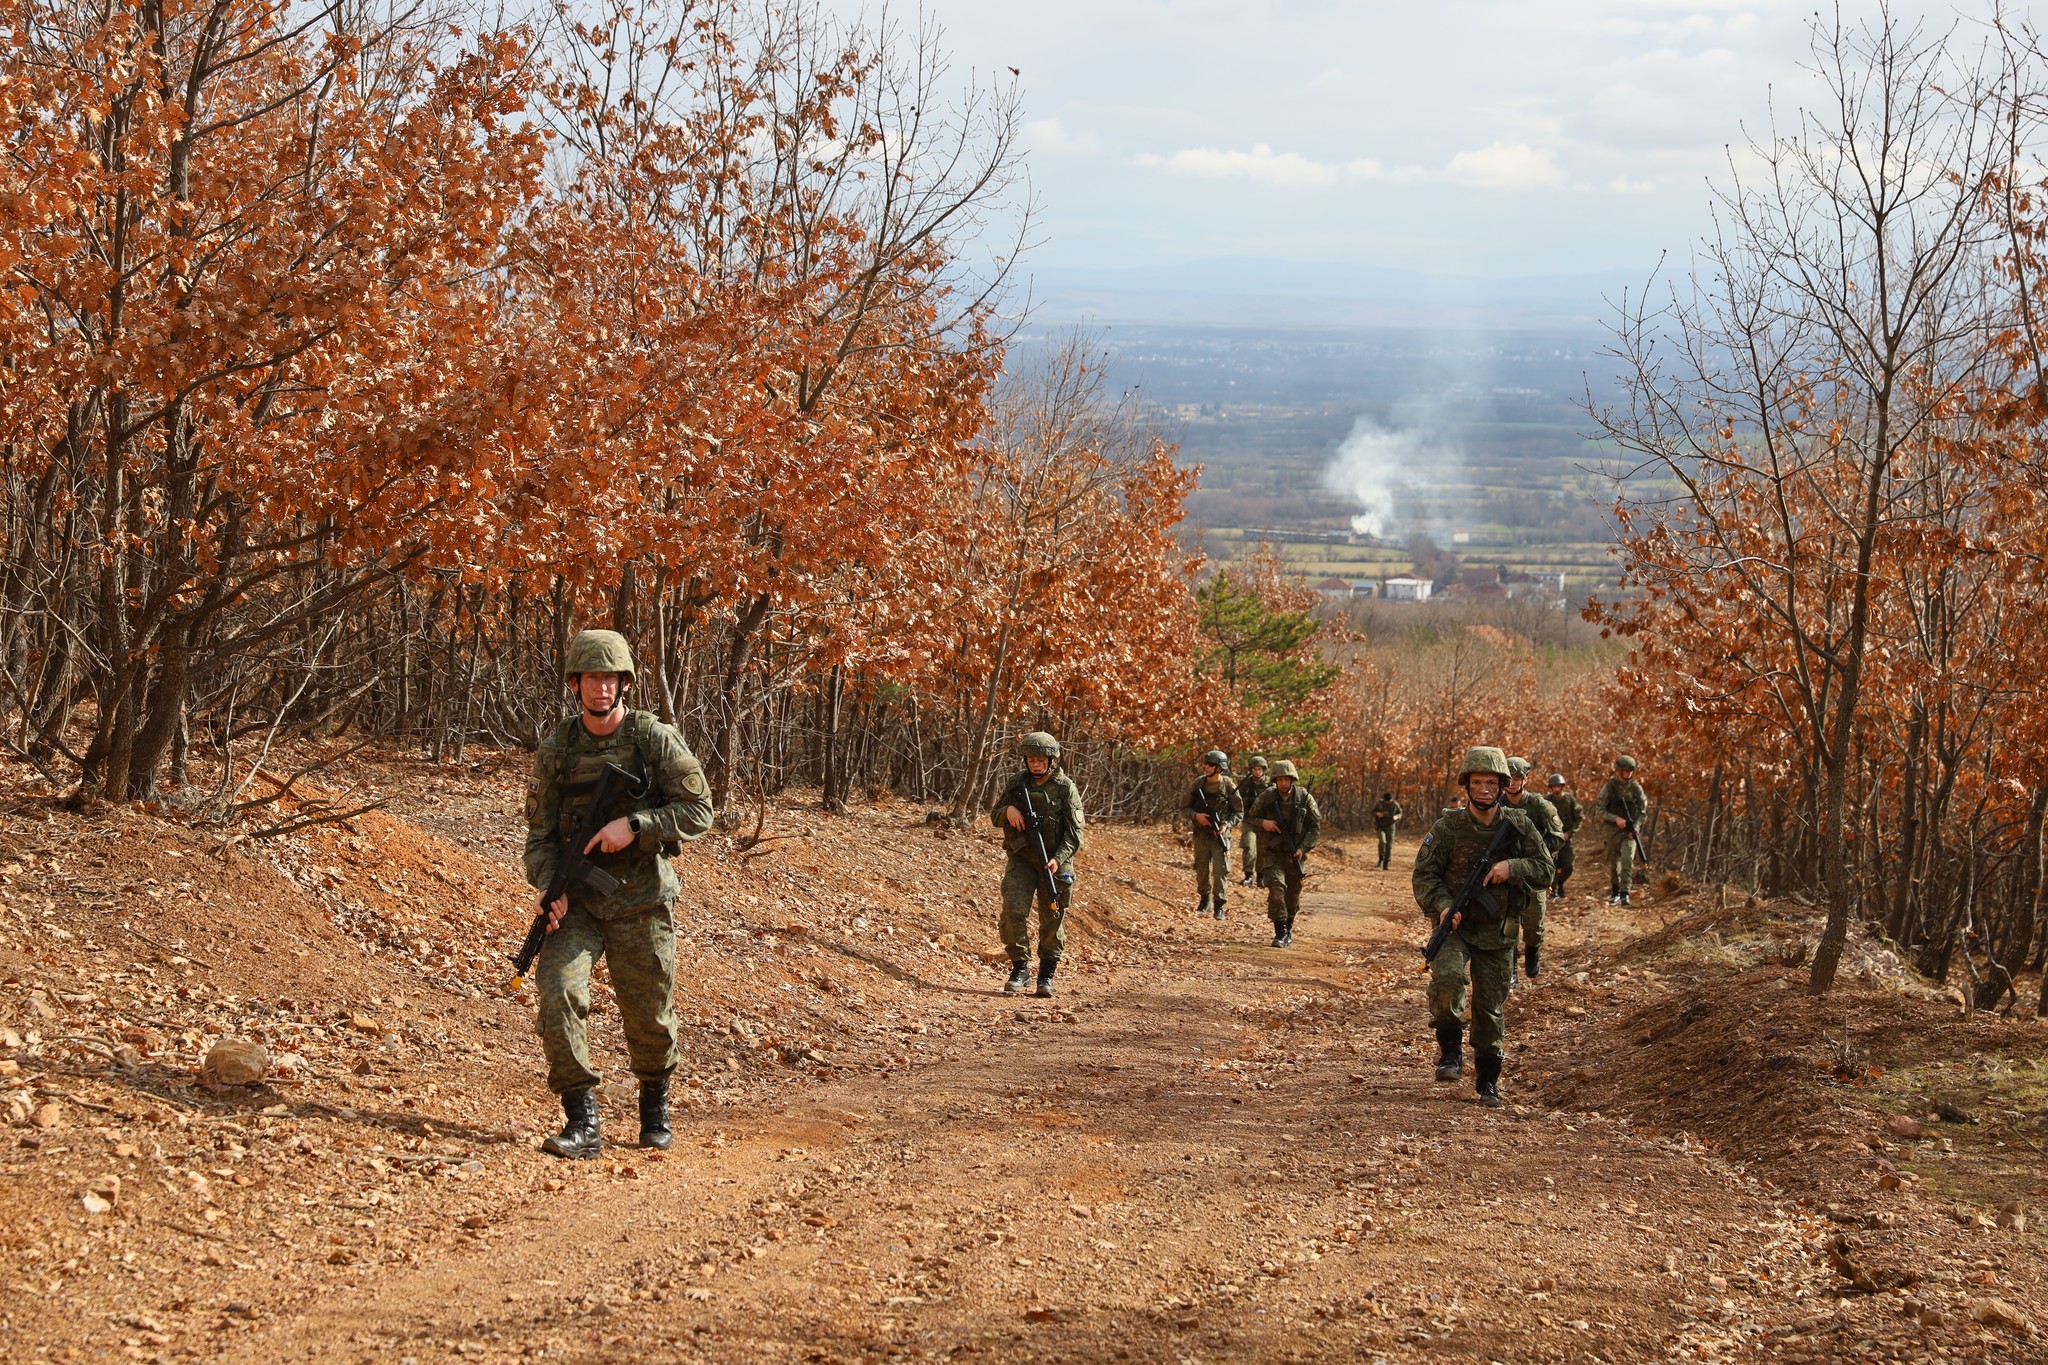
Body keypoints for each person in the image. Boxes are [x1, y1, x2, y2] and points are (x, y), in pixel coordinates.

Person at [523, 629, 714, 1160]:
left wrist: (637, 823)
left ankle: (654, 1105)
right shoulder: (558, 747)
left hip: (641, 901)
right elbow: (538, 839)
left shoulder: (653, 738)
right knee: (558, 992)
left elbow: (701, 811)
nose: (601, 688)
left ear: (624, 683)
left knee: (650, 1014)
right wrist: (548, 888)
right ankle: (581, 1119)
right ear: (576, 684)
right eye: (591, 678)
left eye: (610, 678)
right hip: (579, 903)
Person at [1412, 747, 1552, 1108]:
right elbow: (1424, 876)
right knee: (1446, 983)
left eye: (1492, 783)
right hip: (1454, 928)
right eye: (1477, 783)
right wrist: (1443, 907)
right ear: (1467, 786)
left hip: (1498, 933)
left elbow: (1545, 869)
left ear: (1503, 786)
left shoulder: (1519, 826)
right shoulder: (1448, 827)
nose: (1485, 789)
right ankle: (1450, 1054)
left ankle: (1488, 1080)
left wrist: (1512, 868)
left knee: (1490, 1010)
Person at [991, 732, 1086, 997]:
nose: (1035, 764)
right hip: (1022, 858)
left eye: (1040, 760)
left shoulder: (1065, 787)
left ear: (1052, 760)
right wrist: (1008, 812)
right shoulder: (1016, 783)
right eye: (1031, 759)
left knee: (1052, 918)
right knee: (1012, 911)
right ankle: (1020, 967)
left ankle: (1047, 974)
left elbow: (1076, 833)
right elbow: (995, 815)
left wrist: (1059, 858)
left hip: (1055, 862)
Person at [1503, 757, 1565, 982]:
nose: (1512, 782)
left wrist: (1535, 852)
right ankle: (1510, 969)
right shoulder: (1496, 805)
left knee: (1533, 923)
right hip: (1506, 874)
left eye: (1517, 778)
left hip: (1534, 874)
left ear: (1525, 780)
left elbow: (1557, 838)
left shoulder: (1540, 806)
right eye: (1508, 778)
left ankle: (1532, 951)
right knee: (1506, 924)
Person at [1248, 759, 1320, 947]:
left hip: (1295, 855)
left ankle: (1288, 929)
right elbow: (1251, 817)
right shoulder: (1267, 797)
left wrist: (1303, 848)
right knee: (1277, 891)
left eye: (1286, 779)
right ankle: (1280, 933)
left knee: (1293, 894)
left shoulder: (1304, 797)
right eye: (1279, 780)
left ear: (1292, 779)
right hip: (1272, 853)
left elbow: (1315, 827)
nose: (1283, 783)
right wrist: (1264, 823)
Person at [1180, 748, 1243, 919]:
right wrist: (1196, 816)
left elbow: (1238, 812)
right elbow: (1184, 808)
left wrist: (1226, 825)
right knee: (1201, 870)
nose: (1206, 767)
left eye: (1211, 765)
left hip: (1220, 836)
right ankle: (1204, 899)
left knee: (1221, 870)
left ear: (1220, 768)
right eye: (1206, 764)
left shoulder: (1228, 786)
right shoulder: (1198, 784)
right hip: (1201, 835)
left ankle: (1219, 905)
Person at [1595, 755, 1649, 905]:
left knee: (1627, 859)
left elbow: (1643, 811)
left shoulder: (1636, 788)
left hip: (1629, 831)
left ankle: (1625, 893)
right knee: (1613, 861)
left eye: (1631, 770)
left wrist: (1636, 826)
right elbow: (1599, 810)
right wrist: (1615, 819)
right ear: (1619, 771)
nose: (1629, 773)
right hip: (1612, 830)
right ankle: (1615, 891)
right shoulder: (1609, 788)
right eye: (1626, 770)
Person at [1546, 773, 1582, 901]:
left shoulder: (1570, 801)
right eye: (1554, 786)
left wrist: (1569, 833)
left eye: (1558, 786)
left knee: (1568, 865)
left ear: (1562, 787)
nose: (1556, 789)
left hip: (1566, 838)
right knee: (1552, 865)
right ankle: (1553, 890)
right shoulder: (1547, 801)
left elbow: (1579, 819)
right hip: (1552, 838)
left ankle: (1560, 883)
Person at [1236, 757, 1271, 886]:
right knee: (1249, 846)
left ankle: (1261, 877)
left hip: (1263, 822)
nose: (1257, 772)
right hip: (1248, 820)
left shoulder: (1269, 785)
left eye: (1259, 769)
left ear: (1264, 770)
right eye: (1254, 769)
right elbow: (1235, 800)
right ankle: (1249, 875)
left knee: (1262, 848)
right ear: (1250, 770)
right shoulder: (1244, 784)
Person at [1371, 791, 1403, 870]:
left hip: (1390, 827)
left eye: (1389, 802)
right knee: (1382, 841)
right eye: (1386, 802)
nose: (1388, 803)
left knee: (1389, 845)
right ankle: (1381, 858)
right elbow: (1372, 811)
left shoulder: (1395, 804)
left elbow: (1400, 813)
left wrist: (1396, 817)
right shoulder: (1379, 804)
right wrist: (1377, 814)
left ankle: (1386, 862)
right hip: (1380, 826)